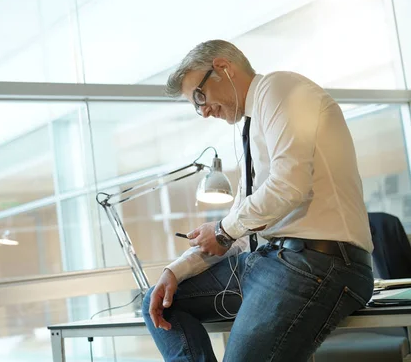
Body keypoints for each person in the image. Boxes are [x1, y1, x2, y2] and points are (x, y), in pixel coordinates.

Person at [142, 40, 374, 362]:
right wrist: (175, 270)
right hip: (268, 260)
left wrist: (223, 230)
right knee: (163, 297)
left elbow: (288, 186)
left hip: (317, 262)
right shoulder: (253, 125)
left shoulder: (279, 88)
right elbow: (242, 228)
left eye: (199, 96)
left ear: (223, 67)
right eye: (196, 105)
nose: (204, 111)